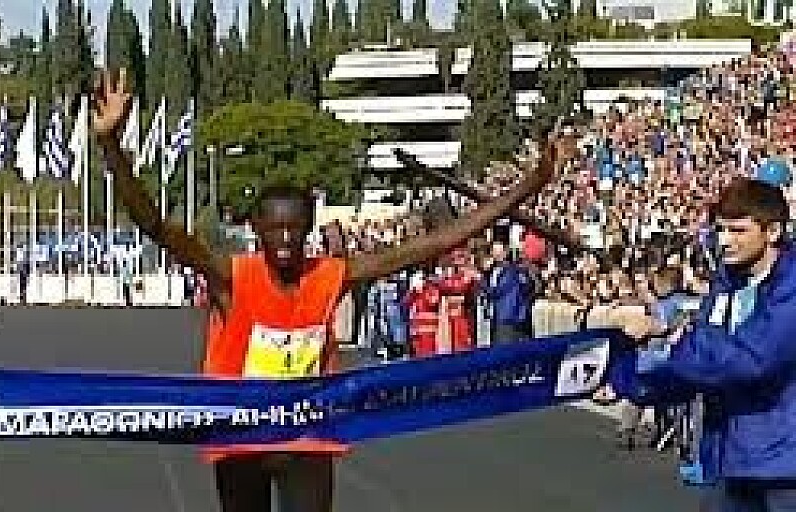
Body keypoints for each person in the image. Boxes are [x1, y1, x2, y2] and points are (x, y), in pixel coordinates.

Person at [92, 68, 567, 512]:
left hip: (307, 434)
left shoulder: (330, 275)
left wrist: (529, 185)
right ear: (255, 229)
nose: (285, 240)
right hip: (241, 435)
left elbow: (434, 243)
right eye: (274, 229)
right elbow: (155, 226)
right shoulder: (232, 279)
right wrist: (111, 144)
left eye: (295, 229)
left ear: (309, 228)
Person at [623, 177, 796, 511]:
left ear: (772, 231)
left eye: (738, 230)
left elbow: (752, 360)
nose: (725, 241)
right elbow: (702, 358)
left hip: (783, 466)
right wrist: (631, 377)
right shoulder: (725, 285)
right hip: (731, 457)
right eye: (720, 230)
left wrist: (673, 338)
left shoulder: (790, 288)